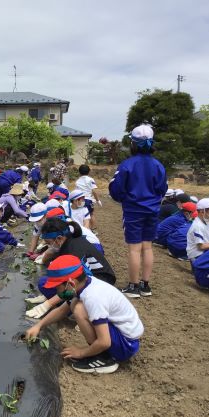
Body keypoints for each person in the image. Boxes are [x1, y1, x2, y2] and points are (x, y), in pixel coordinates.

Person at [25, 255, 143, 374]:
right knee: (75, 304)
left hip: (126, 345)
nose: (57, 292)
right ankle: (100, 353)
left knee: (79, 309)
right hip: (124, 336)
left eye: (57, 287)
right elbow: (61, 310)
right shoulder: (85, 284)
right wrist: (38, 325)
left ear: (70, 283)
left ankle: (104, 359)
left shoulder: (93, 297)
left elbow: (104, 342)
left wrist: (81, 352)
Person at [109, 124, 167, 297]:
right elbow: (162, 188)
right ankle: (145, 285)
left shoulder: (127, 165)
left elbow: (117, 189)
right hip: (153, 210)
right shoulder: (158, 165)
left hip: (133, 210)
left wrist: (124, 199)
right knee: (147, 247)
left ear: (133, 143)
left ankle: (133, 286)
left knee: (134, 249)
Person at [27, 218, 116, 318]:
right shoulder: (71, 241)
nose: (49, 246)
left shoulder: (73, 251)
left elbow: (80, 281)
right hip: (93, 279)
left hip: (100, 283)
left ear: (59, 239)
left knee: (46, 285)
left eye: (48, 242)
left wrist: (48, 304)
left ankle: (81, 311)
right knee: (46, 283)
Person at [75, 165, 102, 230]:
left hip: (79, 200)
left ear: (79, 172)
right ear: (89, 172)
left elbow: (76, 192)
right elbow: (94, 191)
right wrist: (98, 200)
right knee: (91, 214)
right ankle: (93, 230)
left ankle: (83, 229)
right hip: (88, 200)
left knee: (82, 215)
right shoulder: (90, 179)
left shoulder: (77, 181)